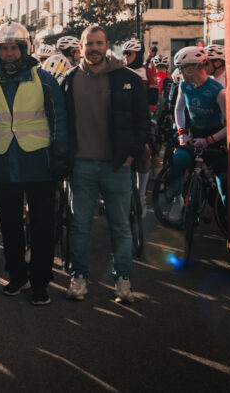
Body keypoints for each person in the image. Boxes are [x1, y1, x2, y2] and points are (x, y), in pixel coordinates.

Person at [61, 24, 150, 304]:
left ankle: (122, 281)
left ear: (107, 45)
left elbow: (143, 122)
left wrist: (132, 154)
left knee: (120, 227)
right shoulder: (69, 80)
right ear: (81, 48)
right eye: (89, 44)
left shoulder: (128, 79)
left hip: (117, 166)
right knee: (79, 227)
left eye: (99, 43)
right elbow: (60, 123)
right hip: (81, 166)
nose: (94, 48)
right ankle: (79, 278)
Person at [0, 22, 68, 305]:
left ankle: (41, 281)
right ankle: (17, 275)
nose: (9, 54)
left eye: (14, 48)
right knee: (9, 224)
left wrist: (59, 156)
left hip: (39, 163)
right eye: (4, 48)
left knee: (43, 225)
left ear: (24, 49)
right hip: (3, 163)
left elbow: (59, 119)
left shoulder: (44, 79)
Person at [168, 46, 228, 220]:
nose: (178, 72)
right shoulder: (184, 86)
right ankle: (178, 200)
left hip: (216, 140)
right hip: (193, 137)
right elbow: (179, 110)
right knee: (178, 161)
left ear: (191, 68)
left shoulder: (219, 91)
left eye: (180, 68)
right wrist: (182, 133)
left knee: (224, 184)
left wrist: (209, 140)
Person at [121, 39, 158, 210]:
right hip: (123, 120)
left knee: (146, 153)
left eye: (129, 53)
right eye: (124, 53)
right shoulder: (120, 71)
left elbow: (153, 100)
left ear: (137, 55)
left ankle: (142, 194)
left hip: (141, 119)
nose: (126, 57)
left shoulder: (148, 72)